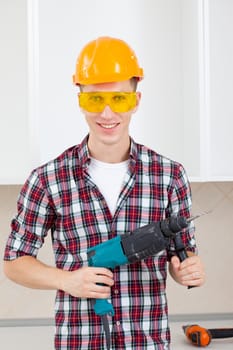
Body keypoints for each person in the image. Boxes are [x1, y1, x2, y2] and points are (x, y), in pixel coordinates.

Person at [3, 36, 205, 350]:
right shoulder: (48, 178)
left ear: (136, 101)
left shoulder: (169, 175)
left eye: (120, 99)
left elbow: (183, 255)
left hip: (147, 342)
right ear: (80, 100)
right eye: (95, 100)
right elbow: (14, 261)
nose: (107, 113)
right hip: (80, 341)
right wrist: (66, 280)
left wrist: (187, 269)